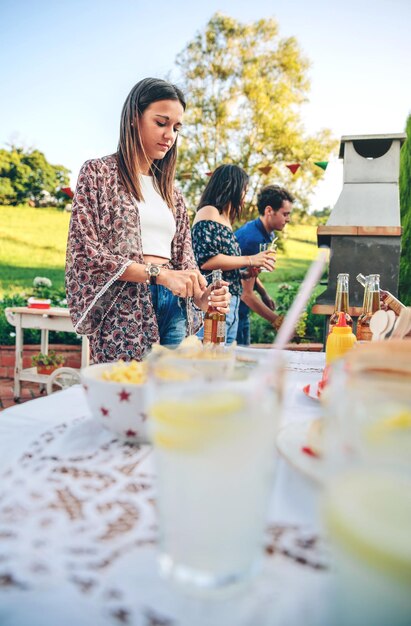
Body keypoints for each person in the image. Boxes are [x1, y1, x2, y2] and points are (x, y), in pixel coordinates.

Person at [66, 77, 230, 363]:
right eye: (161, 122)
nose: (170, 135)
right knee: (126, 395)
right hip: (124, 305)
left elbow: (185, 260)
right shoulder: (98, 174)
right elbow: (86, 252)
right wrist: (159, 274)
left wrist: (203, 297)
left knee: (173, 396)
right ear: (134, 118)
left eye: (176, 127)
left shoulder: (172, 192)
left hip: (174, 308)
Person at [191, 165, 275, 344]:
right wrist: (250, 259)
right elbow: (206, 261)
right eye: (244, 190)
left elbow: (224, 265)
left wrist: (244, 273)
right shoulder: (209, 211)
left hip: (231, 301)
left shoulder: (225, 219)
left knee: (224, 359)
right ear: (232, 187)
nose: (244, 195)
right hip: (213, 302)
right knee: (208, 358)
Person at [235, 184, 294, 345]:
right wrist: (278, 322)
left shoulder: (265, 233)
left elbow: (248, 273)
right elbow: (246, 295)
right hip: (232, 312)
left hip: (240, 311)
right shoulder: (252, 239)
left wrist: (263, 293)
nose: (288, 219)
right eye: (285, 214)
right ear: (269, 211)